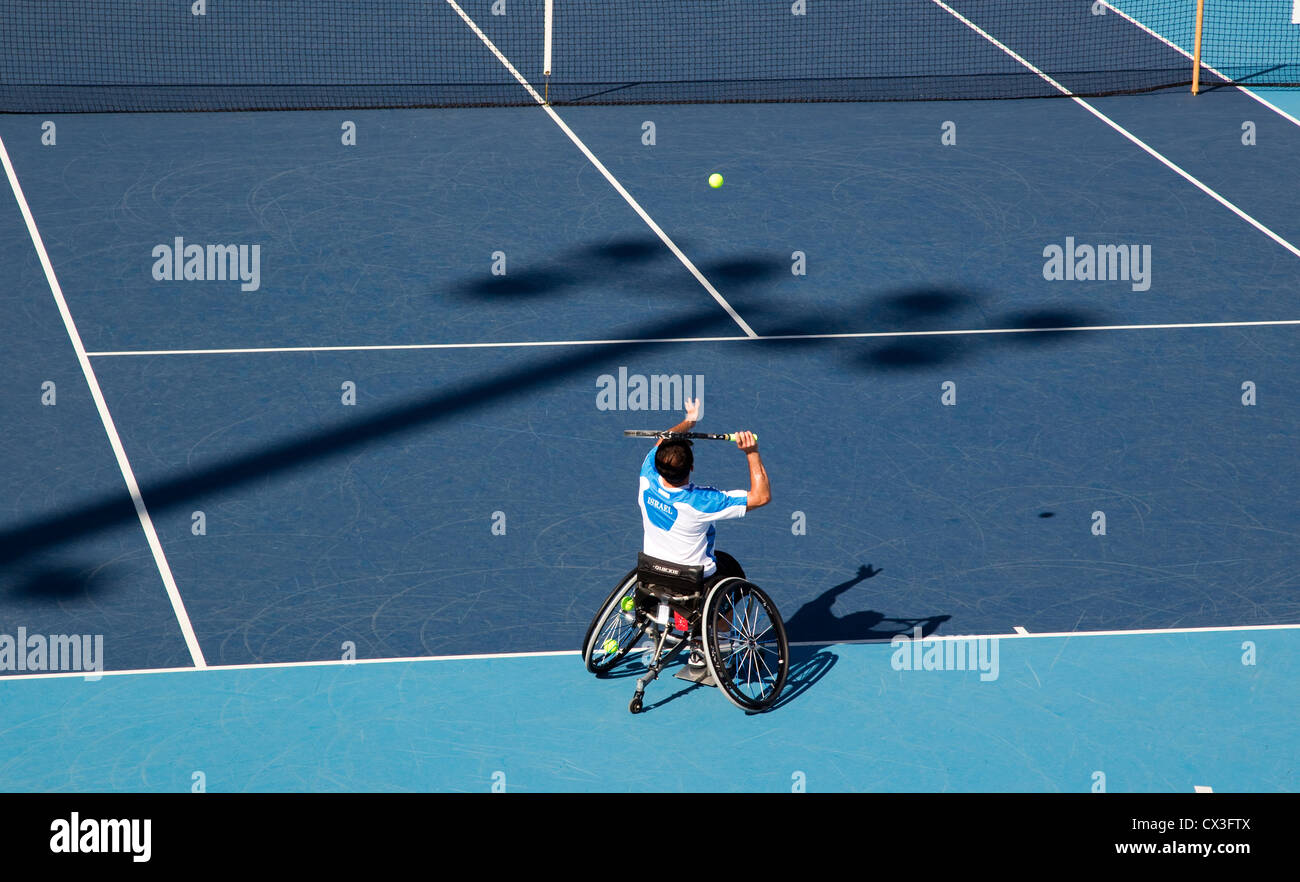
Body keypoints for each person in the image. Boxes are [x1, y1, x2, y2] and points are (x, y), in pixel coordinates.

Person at [637, 398, 770, 668]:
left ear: (658, 463)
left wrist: (690, 421)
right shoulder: (703, 502)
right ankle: (710, 644)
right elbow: (761, 496)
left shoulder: (646, 476)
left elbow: (665, 441)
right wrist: (751, 452)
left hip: (651, 572)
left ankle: (670, 623)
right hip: (692, 582)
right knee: (731, 569)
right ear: (692, 467)